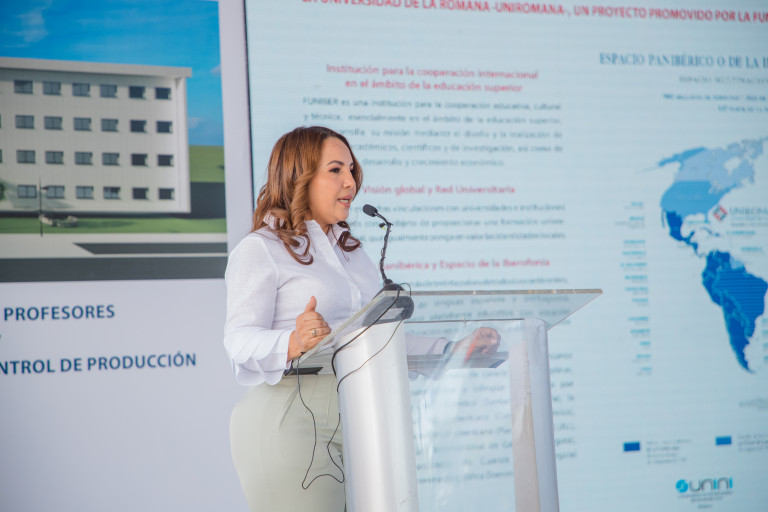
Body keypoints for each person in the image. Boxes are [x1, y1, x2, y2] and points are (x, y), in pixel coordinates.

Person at [223, 126, 499, 511]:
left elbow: (376, 339)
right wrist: (293, 342)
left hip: (363, 415)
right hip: (291, 420)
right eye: (335, 170)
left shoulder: (353, 254)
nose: (351, 182)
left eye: (351, 170)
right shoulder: (261, 249)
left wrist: (452, 349)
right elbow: (237, 340)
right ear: (299, 176)